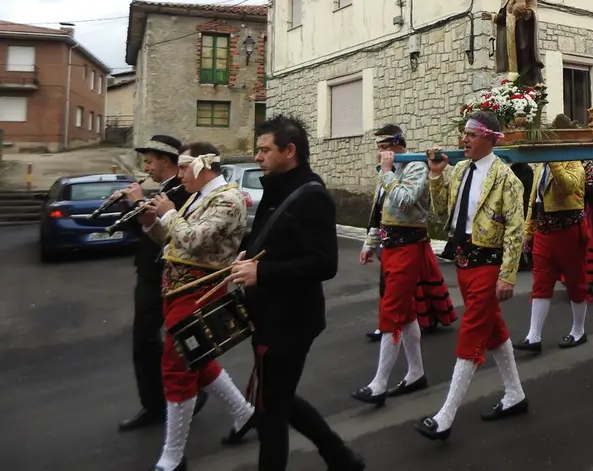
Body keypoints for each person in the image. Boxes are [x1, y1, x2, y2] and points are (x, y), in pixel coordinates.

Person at [226, 116, 364, 471]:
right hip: (269, 314)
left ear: (290, 151)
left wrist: (263, 271)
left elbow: (324, 263)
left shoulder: (312, 195)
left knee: (271, 409)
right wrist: (249, 252)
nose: (257, 156)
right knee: (277, 400)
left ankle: (337, 457)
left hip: (291, 320)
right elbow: (274, 241)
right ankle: (340, 457)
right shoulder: (276, 185)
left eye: (264, 149)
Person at [132, 141, 254, 471]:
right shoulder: (200, 197)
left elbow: (194, 240)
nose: (179, 174)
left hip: (200, 292)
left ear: (201, 166)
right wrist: (150, 221)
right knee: (196, 360)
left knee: (176, 367)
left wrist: (169, 212)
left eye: (184, 167)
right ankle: (244, 413)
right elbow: (172, 242)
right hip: (178, 291)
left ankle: (173, 455)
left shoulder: (229, 199)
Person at [415, 110, 527, 441]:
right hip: (463, 263)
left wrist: (507, 274)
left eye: (471, 134)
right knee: (493, 329)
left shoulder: (508, 179)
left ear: (489, 138)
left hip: (489, 265)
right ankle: (515, 394)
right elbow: (439, 214)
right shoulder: (461, 169)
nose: (463, 139)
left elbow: (515, 230)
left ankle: (445, 415)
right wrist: (436, 176)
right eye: (463, 133)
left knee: (472, 333)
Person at [353, 124, 456, 406]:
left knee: (392, 313)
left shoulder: (415, 167)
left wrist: (387, 174)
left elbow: (406, 200)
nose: (379, 152)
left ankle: (379, 384)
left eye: (383, 146)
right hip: (391, 246)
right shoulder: (387, 172)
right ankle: (415, 372)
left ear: (395, 145)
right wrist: (370, 243)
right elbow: (380, 212)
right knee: (406, 313)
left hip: (410, 245)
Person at [118, 134, 199, 432]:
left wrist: (139, 200)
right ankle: (156, 402)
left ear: (166, 160)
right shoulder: (164, 189)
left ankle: (178, 397)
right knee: (154, 342)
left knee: (163, 341)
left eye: (150, 160)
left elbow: (172, 232)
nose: (147, 166)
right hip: (150, 273)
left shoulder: (180, 192)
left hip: (166, 275)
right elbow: (142, 226)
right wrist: (128, 204)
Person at [514, 157, 589, 354]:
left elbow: (568, 187)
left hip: (569, 230)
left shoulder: (574, 164)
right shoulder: (539, 166)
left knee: (575, 280)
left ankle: (578, 330)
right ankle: (533, 336)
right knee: (541, 282)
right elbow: (534, 201)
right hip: (544, 231)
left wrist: (554, 162)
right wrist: (528, 231)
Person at [494, 0, 544, 85]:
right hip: (511, 30)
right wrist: (492, 17)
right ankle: (517, 82)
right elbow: (503, 15)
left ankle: (529, 82)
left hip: (524, 28)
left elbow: (533, 10)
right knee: (514, 55)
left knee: (524, 49)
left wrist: (525, 13)